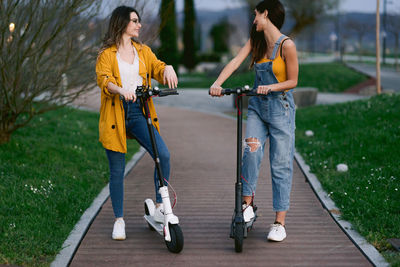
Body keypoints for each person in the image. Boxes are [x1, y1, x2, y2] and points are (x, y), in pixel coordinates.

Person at [210, 0, 298, 242]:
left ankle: (279, 222)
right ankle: (247, 206)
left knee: (280, 165)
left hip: (281, 109)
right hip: (258, 109)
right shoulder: (256, 42)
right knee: (251, 152)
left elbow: (293, 81)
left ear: (265, 14)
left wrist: (270, 87)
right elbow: (235, 61)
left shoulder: (287, 46)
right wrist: (218, 83)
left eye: (256, 15)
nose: (253, 20)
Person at [96, 6, 178, 240]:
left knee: (163, 154)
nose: (139, 25)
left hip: (138, 112)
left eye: (139, 21)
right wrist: (121, 90)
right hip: (115, 114)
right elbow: (104, 80)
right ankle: (119, 220)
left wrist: (168, 67)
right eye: (134, 21)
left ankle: (161, 207)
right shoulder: (106, 55)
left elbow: (158, 68)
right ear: (122, 24)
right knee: (117, 171)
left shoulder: (143, 51)